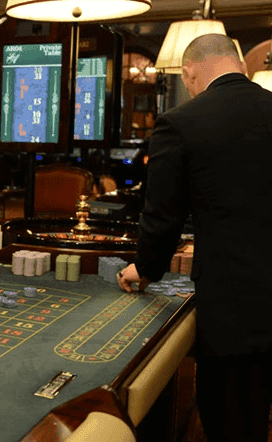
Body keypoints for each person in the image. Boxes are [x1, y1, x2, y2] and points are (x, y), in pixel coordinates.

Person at [116, 34, 272, 441]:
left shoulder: (182, 122)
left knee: (232, 422)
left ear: (190, 72)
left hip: (234, 307)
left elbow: (162, 215)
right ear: (236, 63)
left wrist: (145, 267)